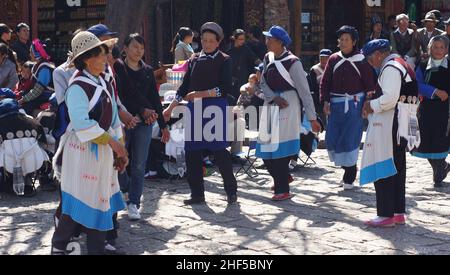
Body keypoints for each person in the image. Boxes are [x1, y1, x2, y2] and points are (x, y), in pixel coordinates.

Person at [51, 31, 127, 255]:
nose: (106, 59)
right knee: (79, 199)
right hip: (81, 150)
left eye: (105, 53)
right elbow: (82, 123)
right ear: (86, 59)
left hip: (104, 148)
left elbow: (113, 117)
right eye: (101, 55)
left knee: (100, 198)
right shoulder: (76, 87)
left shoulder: (104, 81)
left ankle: (96, 248)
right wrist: (114, 145)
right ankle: (59, 246)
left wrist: (120, 149)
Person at [163, 22, 238, 205]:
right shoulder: (194, 59)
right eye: (204, 40)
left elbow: (225, 88)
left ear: (218, 42)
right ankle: (197, 193)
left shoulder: (224, 60)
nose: (207, 44)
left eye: (211, 41)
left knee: (219, 150)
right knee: (192, 152)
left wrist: (201, 94)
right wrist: (170, 107)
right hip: (194, 109)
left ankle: (231, 191)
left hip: (214, 108)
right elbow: (184, 87)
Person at [256, 25, 321, 201]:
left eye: (270, 39)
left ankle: (282, 189)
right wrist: (273, 98)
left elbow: (305, 92)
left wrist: (312, 118)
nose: (266, 41)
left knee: (280, 148)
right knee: (264, 147)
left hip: (288, 104)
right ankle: (282, 177)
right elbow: (262, 83)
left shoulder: (294, 63)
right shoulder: (267, 58)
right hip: (271, 103)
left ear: (280, 42)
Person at [360, 39, 418, 228]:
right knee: (398, 167)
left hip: (392, 123)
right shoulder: (402, 63)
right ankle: (398, 211)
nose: (371, 64)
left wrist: (371, 105)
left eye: (370, 60)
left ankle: (385, 214)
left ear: (378, 54)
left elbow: (390, 99)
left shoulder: (391, 68)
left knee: (385, 165)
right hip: (405, 120)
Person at [114, 33, 169, 220]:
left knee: (139, 164)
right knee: (119, 160)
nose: (139, 51)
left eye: (142, 48)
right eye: (135, 46)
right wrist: (141, 110)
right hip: (124, 120)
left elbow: (154, 97)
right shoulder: (118, 68)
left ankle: (134, 203)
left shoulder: (147, 70)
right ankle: (126, 188)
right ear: (125, 48)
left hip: (144, 123)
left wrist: (163, 125)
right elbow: (123, 95)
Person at [320, 26, 375, 191]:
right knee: (333, 138)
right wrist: (325, 101)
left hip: (354, 104)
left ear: (354, 42)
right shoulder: (333, 59)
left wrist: (368, 103)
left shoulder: (362, 60)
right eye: (341, 39)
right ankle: (347, 169)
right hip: (336, 105)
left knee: (350, 138)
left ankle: (350, 175)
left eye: (346, 39)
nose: (343, 42)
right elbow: (325, 82)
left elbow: (370, 85)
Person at [412, 35, 450, 188]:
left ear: (446, 50)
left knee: (440, 140)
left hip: (445, 111)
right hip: (426, 110)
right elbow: (416, 84)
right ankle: (441, 167)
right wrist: (434, 91)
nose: (439, 50)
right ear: (429, 49)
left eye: (442, 47)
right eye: (435, 47)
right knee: (427, 141)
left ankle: (439, 171)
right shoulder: (421, 65)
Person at [19, 39, 55, 116]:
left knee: (26, 106)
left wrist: (24, 99)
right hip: (40, 95)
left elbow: (37, 91)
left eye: (31, 52)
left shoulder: (44, 68)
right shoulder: (37, 65)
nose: (30, 54)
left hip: (46, 96)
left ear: (36, 53)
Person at [226, 29, 261, 105]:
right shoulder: (228, 49)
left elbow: (254, 59)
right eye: (240, 39)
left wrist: (262, 65)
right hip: (230, 79)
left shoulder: (246, 48)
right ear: (235, 39)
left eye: (243, 39)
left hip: (242, 78)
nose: (242, 41)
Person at [308, 49, 332, 128]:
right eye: (321, 58)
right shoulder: (314, 69)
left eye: (326, 58)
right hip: (318, 96)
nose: (323, 60)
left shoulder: (333, 68)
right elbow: (312, 86)